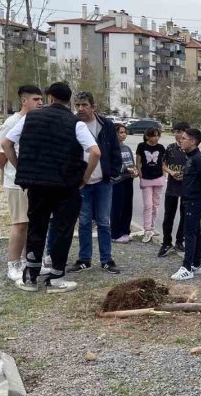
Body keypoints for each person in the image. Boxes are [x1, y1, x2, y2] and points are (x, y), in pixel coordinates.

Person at [1, 82, 100, 293]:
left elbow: (6, 144)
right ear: (68, 101)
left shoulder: (30, 118)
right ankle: (56, 278)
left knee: (36, 227)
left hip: (37, 184)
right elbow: (95, 152)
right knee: (62, 230)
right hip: (66, 186)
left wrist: (22, 168)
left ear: (50, 98)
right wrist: (84, 177)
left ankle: (30, 278)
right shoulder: (76, 123)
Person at [68, 91, 123, 274]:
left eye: (84, 105)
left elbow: (115, 150)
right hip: (82, 183)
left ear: (93, 106)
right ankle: (85, 259)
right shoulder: (72, 123)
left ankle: (106, 259)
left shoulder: (105, 125)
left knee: (103, 222)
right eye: (78, 105)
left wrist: (113, 173)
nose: (81, 109)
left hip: (103, 182)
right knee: (83, 221)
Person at [0, 85, 43, 282]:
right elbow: (0, 155)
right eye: (36, 99)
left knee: (32, 222)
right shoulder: (12, 122)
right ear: (24, 100)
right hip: (17, 182)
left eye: (41, 99)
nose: (40, 103)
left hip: (35, 181)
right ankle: (13, 264)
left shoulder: (36, 121)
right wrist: (17, 169)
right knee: (20, 223)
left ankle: (27, 260)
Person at [171, 128, 201, 281]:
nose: (181, 140)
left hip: (195, 200)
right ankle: (196, 263)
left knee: (189, 233)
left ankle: (187, 267)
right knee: (196, 232)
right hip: (190, 199)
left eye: (184, 138)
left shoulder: (198, 159)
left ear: (193, 141)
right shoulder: (190, 157)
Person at [159, 121, 189, 257]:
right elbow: (163, 164)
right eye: (175, 132)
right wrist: (171, 172)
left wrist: (185, 175)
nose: (177, 135)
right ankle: (166, 242)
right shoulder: (170, 148)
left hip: (186, 188)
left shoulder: (190, 149)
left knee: (184, 216)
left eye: (180, 132)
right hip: (172, 188)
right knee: (168, 216)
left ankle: (179, 241)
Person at [136, 127, 166, 243]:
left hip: (159, 178)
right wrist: (140, 176)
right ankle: (147, 229)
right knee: (148, 205)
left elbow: (163, 162)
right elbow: (138, 163)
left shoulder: (161, 147)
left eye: (158, 135)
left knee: (156, 205)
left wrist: (164, 176)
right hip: (146, 178)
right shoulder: (141, 146)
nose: (156, 138)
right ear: (148, 136)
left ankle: (152, 227)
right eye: (154, 135)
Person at [111, 124, 139, 243]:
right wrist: (125, 169)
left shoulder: (126, 148)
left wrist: (134, 171)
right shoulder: (111, 148)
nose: (123, 135)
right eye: (120, 132)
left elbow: (131, 164)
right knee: (117, 208)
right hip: (117, 181)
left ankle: (125, 231)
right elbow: (112, 166)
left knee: (127, 207)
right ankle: (116, 234)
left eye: (124, 132)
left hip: (128, 180)